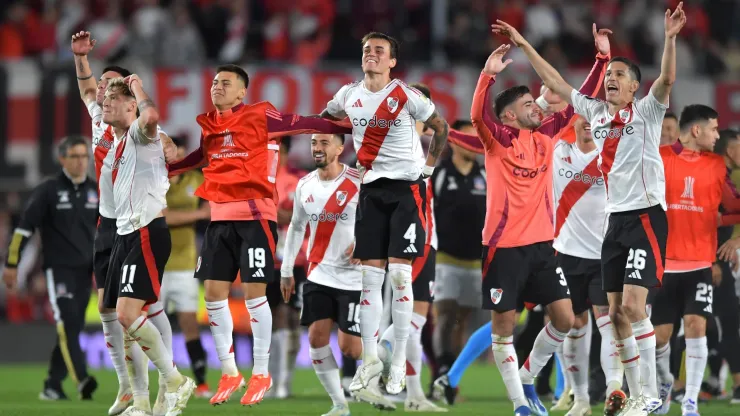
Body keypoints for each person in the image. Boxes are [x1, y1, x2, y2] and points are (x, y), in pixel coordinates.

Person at [495, 3, 687, 414]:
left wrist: (669, 38)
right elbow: (555, 82)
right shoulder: (596, 112)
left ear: (636, 87)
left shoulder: (649, 112)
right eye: (610, 74)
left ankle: (651, 395)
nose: (612, 80)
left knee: (634, 308)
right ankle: (637, 396)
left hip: (645, 217)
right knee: (617, 316)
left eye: (620, 75)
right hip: (613, 225)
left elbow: (667, 77)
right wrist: (525, 43)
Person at [166, 64, 356, 406]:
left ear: (242, 92)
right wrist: (170, 166)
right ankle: (229, 371)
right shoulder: (210, 125)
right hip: (219, 219)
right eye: (214, 82)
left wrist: (353, 125)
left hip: (255, 217)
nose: (217, 87)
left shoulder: (260, 115)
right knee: (211, 294)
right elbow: (199, 158)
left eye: (226, 83)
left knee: (256, 295)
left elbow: (307, 123)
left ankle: (262, 372)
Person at [319, 31, 450, 402]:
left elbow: (441, 128)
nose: (371, 55)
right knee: (369, 280)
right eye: (366, 50)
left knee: (399, 274)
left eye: (379, 51)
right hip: (371, 192)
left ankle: (398, 368)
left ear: (392, 61)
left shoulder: (407, 95)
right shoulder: (348, 94)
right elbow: (327, 118)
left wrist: (428, 168)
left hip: (406, 190)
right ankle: (373, 360)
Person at [101, 75, 196, 416]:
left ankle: (173, 380)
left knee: (129, 314)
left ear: (131, 106)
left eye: (115, 98)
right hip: (125, 235)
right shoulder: (120, 143)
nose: (106, 102)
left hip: (146, 230)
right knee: (127, 318)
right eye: (105, 97)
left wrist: (138, 87)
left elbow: (152, 118)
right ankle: (143, 399)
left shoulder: (143, 133)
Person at [651, 105, 738, 416]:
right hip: (663, 265)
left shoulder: (716, 167)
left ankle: (689, 402)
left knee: (695, 327)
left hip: (699, 265)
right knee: (660, 338)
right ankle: (664, 387)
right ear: (697, 131)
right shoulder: (659, 158)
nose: (718, 135)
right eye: (714, 129)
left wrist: (736, 240)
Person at [2, 136, 99, 402]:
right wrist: (12, 263)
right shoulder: (49, 190)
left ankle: (52, 385)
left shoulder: (95, 190)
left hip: (85, 273)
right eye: (75, 156)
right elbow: (23, 229)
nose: (81, 162)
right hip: (58, 270)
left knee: (72, 329)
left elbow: (105, 233)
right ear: (62, 159)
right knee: (67, 323)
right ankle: (82, 380)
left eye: (84, 156)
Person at [373, 83, 447, 412]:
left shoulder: (415, 145)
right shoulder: (403, 145)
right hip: (415, 241)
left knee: (413, 321)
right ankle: (376, 360)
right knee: (413, 319)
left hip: (422, 239)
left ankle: (414, 395)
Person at [279, 133, 363, 416]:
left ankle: (388, 358)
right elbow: (296, 227)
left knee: (350, 348)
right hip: (318, 273)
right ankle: (339, 404)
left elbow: (379, 218)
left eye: (324, 143)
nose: (317, 148)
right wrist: (287, 270)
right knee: (316, 338)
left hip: (354, 277)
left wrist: (365, 242)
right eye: (314, 142)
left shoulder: (358, 181)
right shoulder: (305, 185)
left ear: (340, 148)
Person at [431, 119, 486, 386]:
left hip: (476, 261)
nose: (474, 143)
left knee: (461, 321)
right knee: (444, 315)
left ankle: (451, 380)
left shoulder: (486, 176)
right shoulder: (440, 175)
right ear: (454, 141)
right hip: (445, 258)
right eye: (469, 137)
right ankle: (441, 369)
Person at [160, 137, 212, 398]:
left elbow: (212, 208)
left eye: (180, 156)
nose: (176, 160)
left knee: (190, 324)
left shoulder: (196, 180)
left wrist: (202, 213)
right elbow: (162, 216)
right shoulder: (156, 181)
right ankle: (158, 383)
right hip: (156, 265)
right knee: (151, 329)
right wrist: (196, 215)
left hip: (184, 266)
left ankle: (201, 382)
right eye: (172, 156)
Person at [266, 137, 306, 399]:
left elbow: (313, 212)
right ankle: (272, 380)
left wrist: (288, 216)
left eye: (276, 150)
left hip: (297, 258)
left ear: (286, 152)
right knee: (271, 318)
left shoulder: (300, 180)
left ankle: (283, 381)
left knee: (290, 318)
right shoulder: (258, 180)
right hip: (266, 257)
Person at [703, 128, 740, 404]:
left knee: (724, 322)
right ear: (729, 151)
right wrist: (713, 261)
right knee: (704, 322)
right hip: (708, 261)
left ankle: (722, 381)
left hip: (720, 259)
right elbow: (705, 222)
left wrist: (736, 240)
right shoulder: (714, 177)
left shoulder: (725, 177)